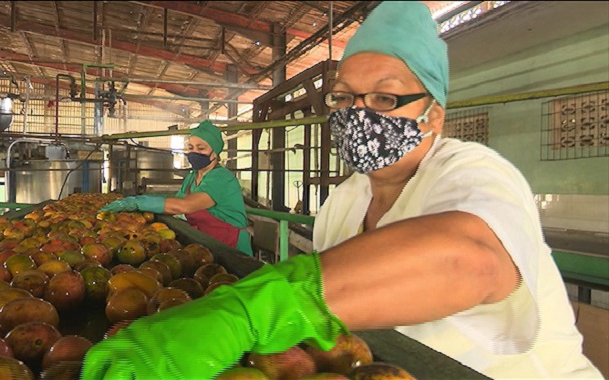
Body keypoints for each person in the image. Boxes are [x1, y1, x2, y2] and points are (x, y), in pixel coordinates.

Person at [82, 2, 603, 379]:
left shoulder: (474, 171)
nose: (359, 113)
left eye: (385, 98)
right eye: (344, 97)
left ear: (433, 115)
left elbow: (472, 260)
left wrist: (253, 310)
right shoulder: (346, 201)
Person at [100, 120, 253, 256]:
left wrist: (140, 202)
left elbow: (185, 206)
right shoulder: (192, 177)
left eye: (201, 148)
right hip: (207, 244)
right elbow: (175, 206)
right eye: (191, 147)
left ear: (215, 152)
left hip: (231, 248)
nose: (194, 152)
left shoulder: (222, 178)